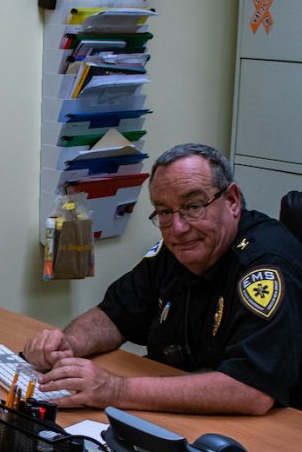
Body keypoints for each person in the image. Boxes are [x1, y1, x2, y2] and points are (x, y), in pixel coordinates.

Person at [24, 143, 302, 415]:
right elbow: (116, 314)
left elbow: (251, 391)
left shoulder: (265, 267)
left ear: (231, 201)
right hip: (182, 408)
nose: (178, 228)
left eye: (193, 206)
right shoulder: (178, 250)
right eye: (165, 212)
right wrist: (67, 347)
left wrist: (117, 390)